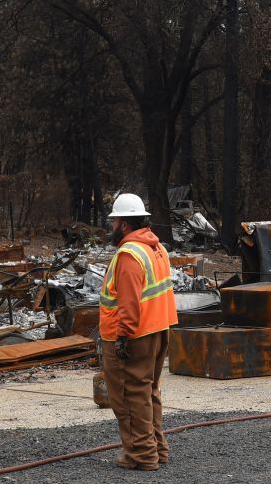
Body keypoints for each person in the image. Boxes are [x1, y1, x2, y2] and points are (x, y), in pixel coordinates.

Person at [99, 193, 178, 471]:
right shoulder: (156, 248)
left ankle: (142, 455)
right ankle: (156, 448)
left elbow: (129, 303)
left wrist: (122, 337)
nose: (111, 227)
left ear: (123, 223)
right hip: (158, 329)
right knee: (147, 392)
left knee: (129, 395)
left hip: (135, 335)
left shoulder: (130, 254)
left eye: (114, 221)